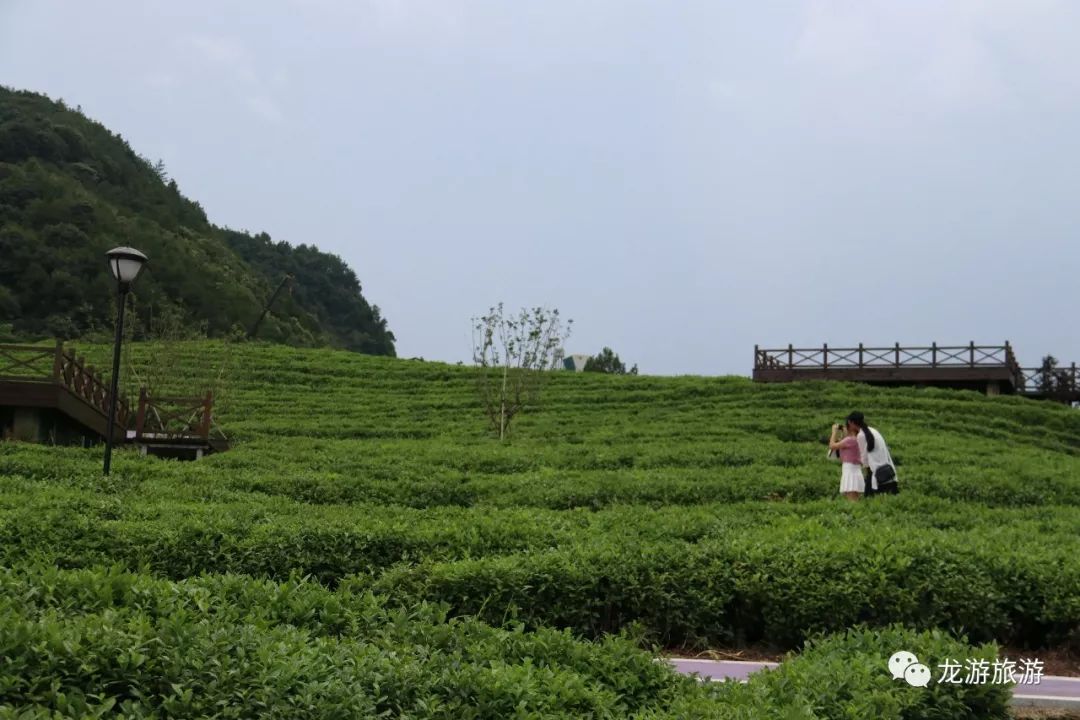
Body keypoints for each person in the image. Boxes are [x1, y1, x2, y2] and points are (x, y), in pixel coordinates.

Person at [845, 411, 898, 495]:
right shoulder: (872, 430)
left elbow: (864, 459)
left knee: (870, 497)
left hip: (877, 473)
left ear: (850, 422)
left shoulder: (861, 435)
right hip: (887, 469)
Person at [828, 422, 864, 501]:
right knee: (854, 500)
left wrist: (834, 431)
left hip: (851, 472)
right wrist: (842, 433)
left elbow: (832, 445)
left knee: (852, 501)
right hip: (853, 471)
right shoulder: (854, 439)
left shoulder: (850, 440)